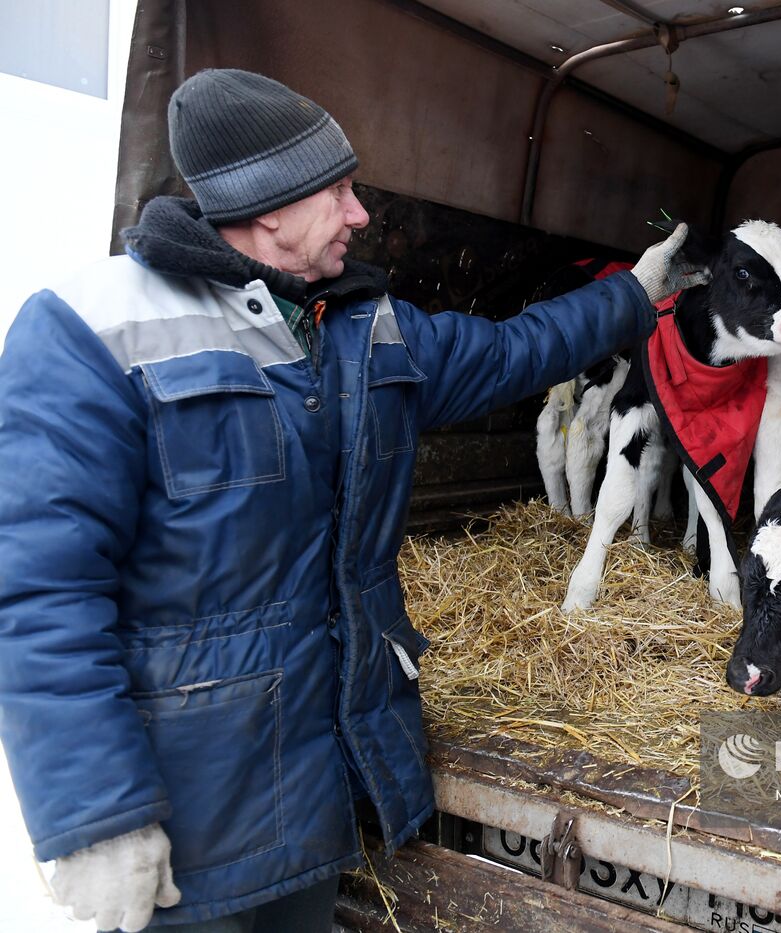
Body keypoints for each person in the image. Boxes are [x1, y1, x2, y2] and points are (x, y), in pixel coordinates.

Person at [0, 69, 704, 932]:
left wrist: (632, 295)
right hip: (185, 834)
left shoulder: (359, 329)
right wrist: (95, 816)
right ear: (271, 210)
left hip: (313, 806)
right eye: (338, 191)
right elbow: (37, 592)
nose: (362, 214)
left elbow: (514, 350)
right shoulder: (91, 331)